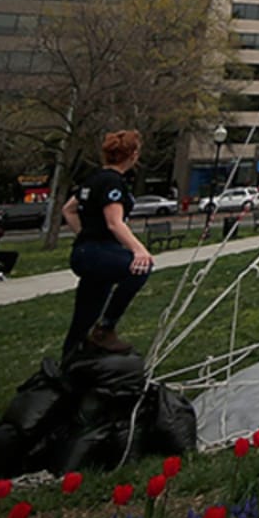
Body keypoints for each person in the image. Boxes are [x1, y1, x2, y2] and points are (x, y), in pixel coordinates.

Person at [60, 129, 154, 356]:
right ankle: (106, 327)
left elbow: (68, 209)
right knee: (140, 268)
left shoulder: (93, 179)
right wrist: (139, 249)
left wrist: (85, 234)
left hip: (85, 252)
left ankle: (70, 360)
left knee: (85, 313)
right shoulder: (113, 182)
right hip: (98, 251)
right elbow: (114, 223)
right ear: (133, 155)